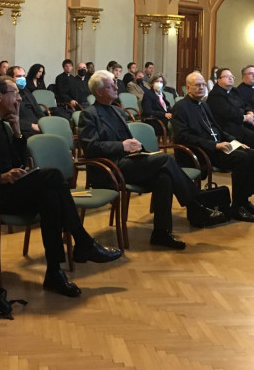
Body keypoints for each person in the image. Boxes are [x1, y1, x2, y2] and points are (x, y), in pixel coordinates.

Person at [0, 76, 121, 297]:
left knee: (51, 198)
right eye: (15, 93)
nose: (19, 98)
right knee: (52, 175)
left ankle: (54, 271)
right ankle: (82, 242)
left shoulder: (4, 126)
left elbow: (19, 163)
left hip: (8, 190)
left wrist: (17, 130)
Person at [79, 70, 226, 250]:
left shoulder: (117, 111)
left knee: (164, 177)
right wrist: (122, 146)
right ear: (99, 91)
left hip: (129, 162)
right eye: (111, 86)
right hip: (109, 168)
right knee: (165, 159)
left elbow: (126, 140)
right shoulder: (89, 114)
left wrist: (135, 145)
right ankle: (196, 206)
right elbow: (90, 147)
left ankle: (161, 233)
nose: (116, 88)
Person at [173, 72, 254, 223]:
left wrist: (235, 142)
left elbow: (218, 129)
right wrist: (214, 145)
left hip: (218, 146)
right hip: (202, 151)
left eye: (203, 84)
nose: (201, 88)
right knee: (241, 158)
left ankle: (245, 201)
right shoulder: (180, 107)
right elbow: (183, 136)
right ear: (188, 88)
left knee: (252, 153)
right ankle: (237, 207)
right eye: (197, 85)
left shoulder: (204, 105)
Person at [206, 68, 254, 172]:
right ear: (218, 80)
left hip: (242, 121)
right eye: (227, 76)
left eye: (232, 76)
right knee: (253, 136)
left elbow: (246, 104)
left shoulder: (234, 91)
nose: (230, 78)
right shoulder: (215, 95)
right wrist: (245, 117)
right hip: (228, 125)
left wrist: (250, 112)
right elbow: (228, 113)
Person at [11, 65, 47, 136]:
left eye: (23, 76)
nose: (22, 78)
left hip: (37, 124)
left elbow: (37, 109)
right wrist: (31, 126)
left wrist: (44, 122)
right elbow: (9, 118)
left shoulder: (27, 91)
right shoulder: (7, 95)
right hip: (24, 128)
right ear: (10, 78)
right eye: (19, 76)